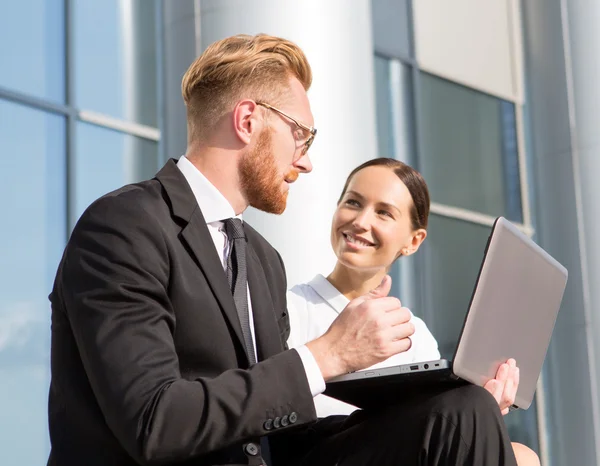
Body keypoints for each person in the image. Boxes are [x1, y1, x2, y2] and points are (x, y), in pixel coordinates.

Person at [47, 33, 521, 466]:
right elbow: (154, 421)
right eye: (301, 134)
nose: (307, 161)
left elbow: (276, 438)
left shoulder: (261, 258)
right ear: (249, 120)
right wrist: (325, 355)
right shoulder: (125, 226)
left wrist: (423, 407)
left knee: (463, 412)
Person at [287, 157, 541, 465]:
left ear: (413, 240)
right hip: (317, 453)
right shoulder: (289, 307)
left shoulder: (414, 333)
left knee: (524, 456)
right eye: (353, 203)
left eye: (383, 212)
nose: (361, 221)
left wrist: (485, 407)